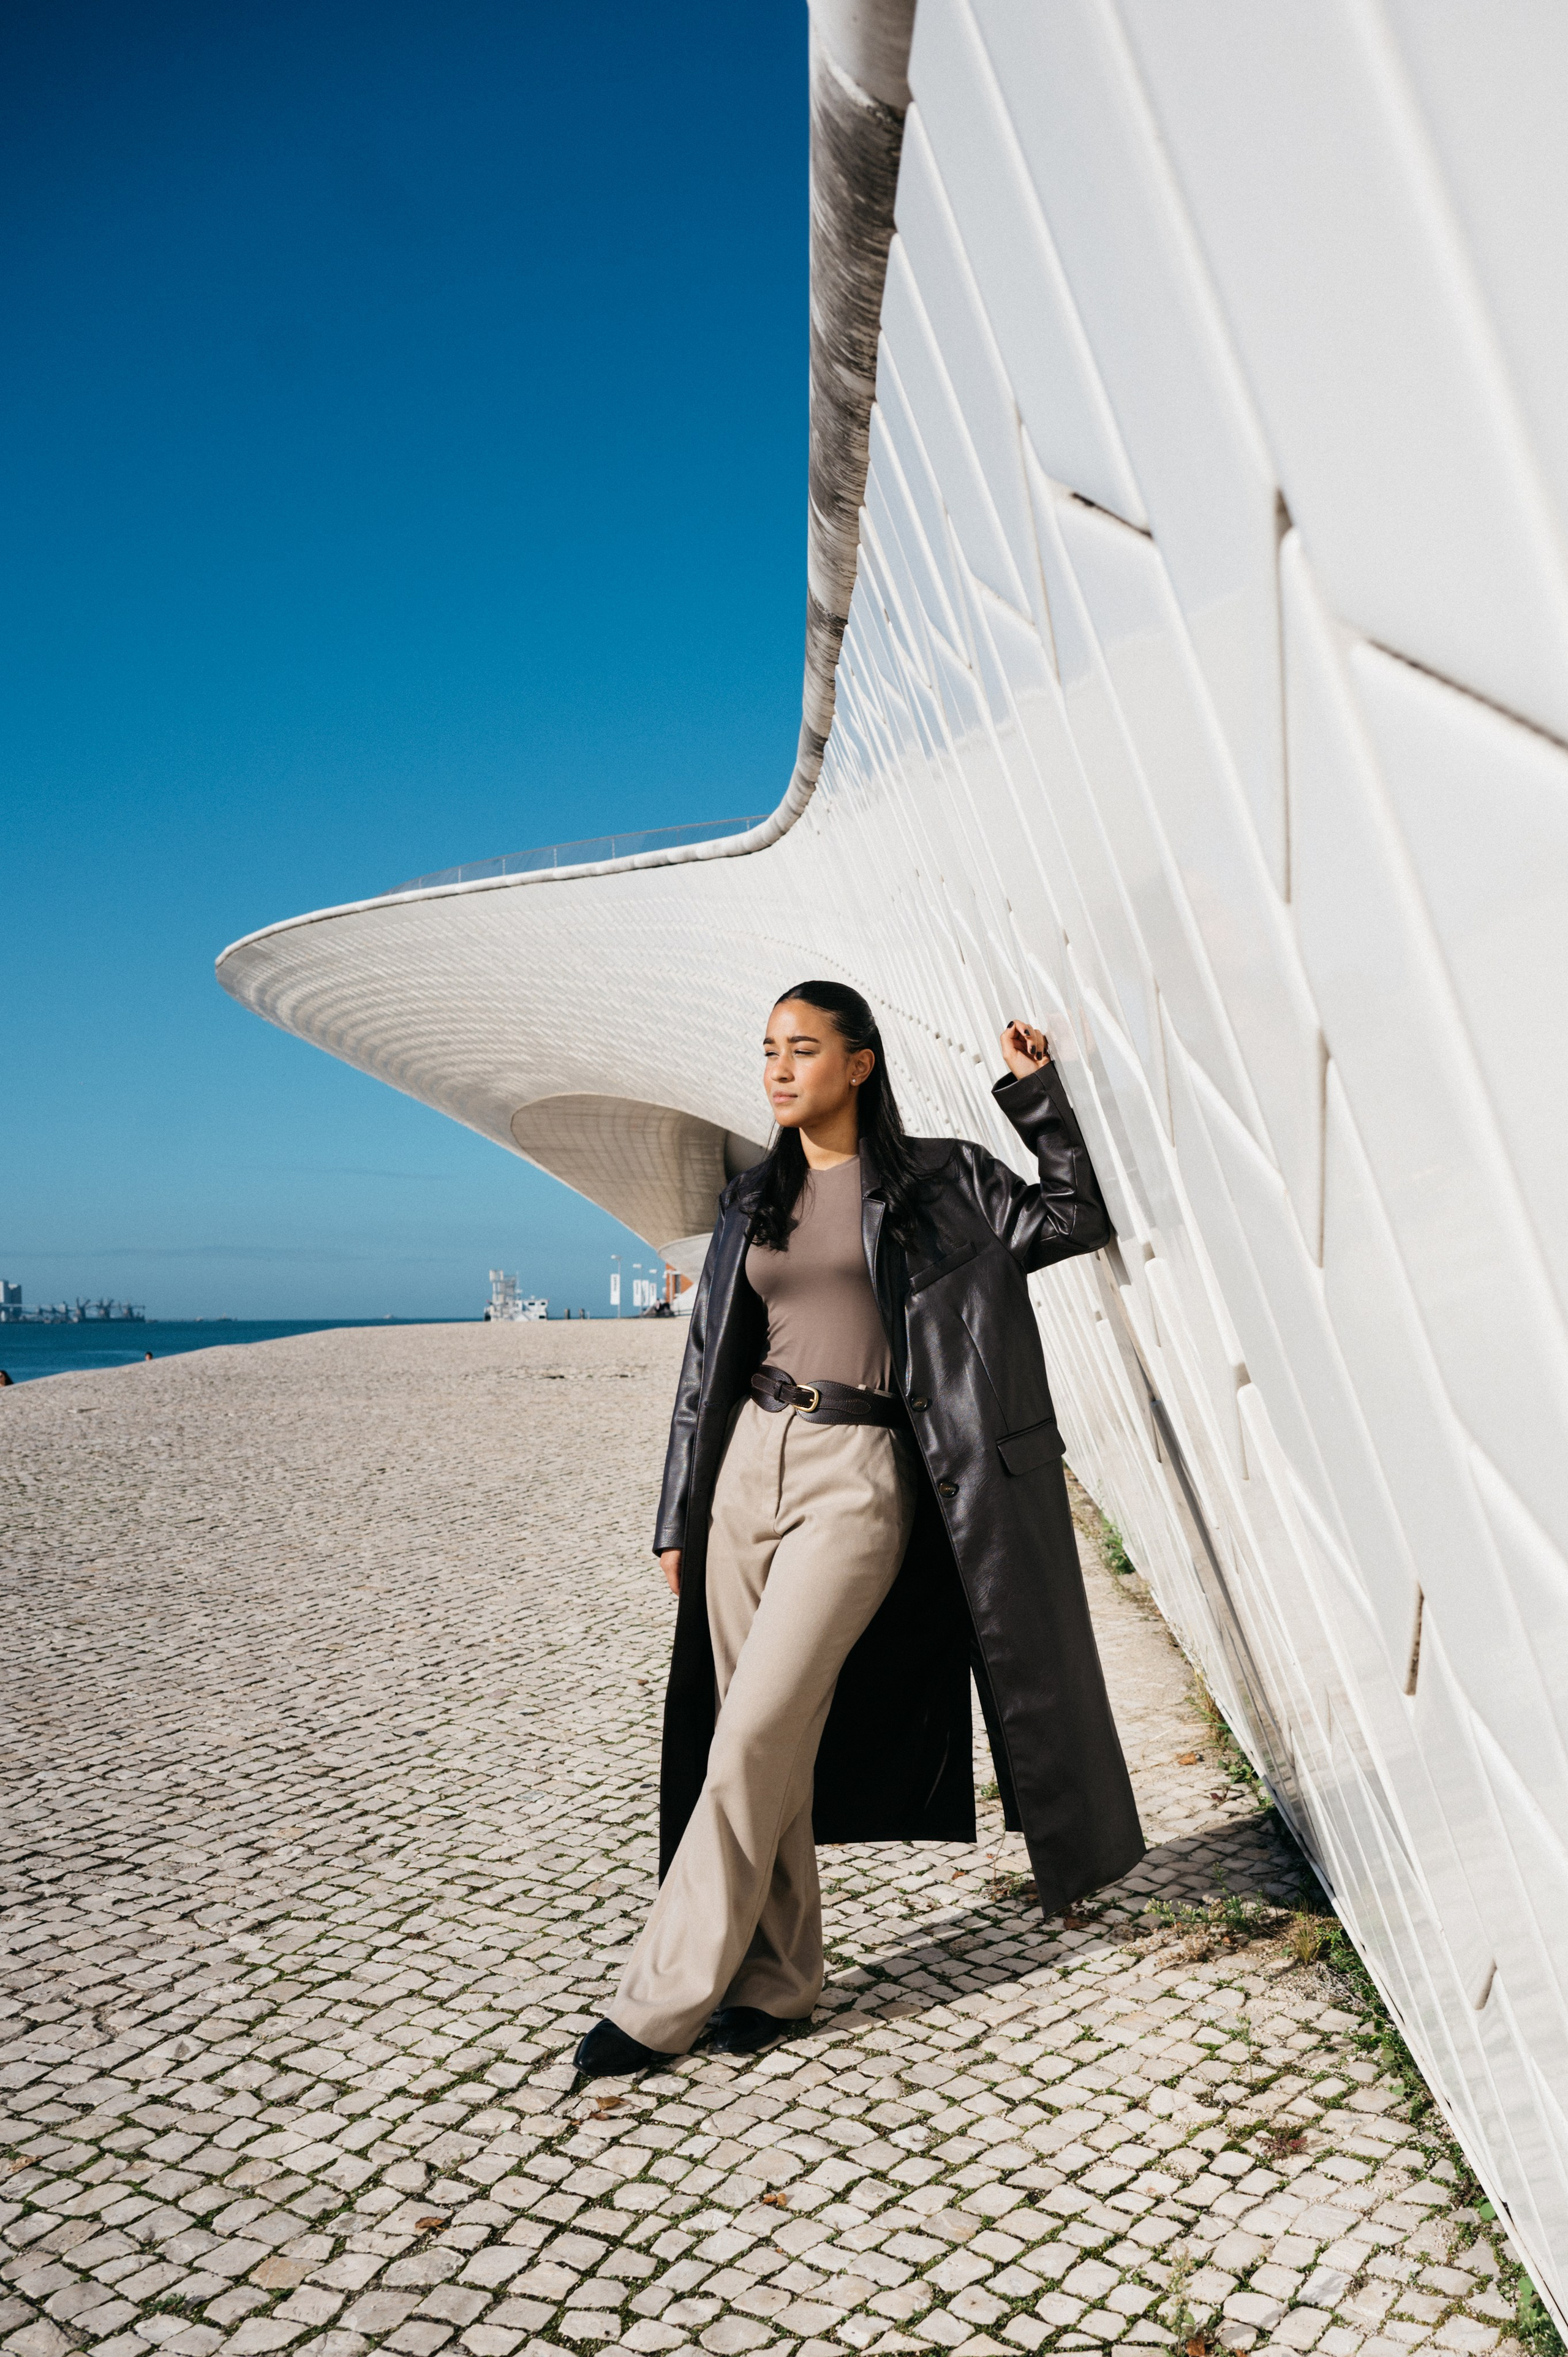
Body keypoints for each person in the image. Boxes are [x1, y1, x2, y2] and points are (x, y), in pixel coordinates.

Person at [575, 981, 1142, 2076]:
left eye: (802, 1050)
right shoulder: (753, 1199)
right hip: (750, 1466)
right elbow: (707, 1369)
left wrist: (1036, 1098)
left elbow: (1073, 1218)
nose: (779, 1070)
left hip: (864, 1475)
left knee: (746, 1739)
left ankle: (659, 1999)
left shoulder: (944, 1182)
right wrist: (680, 1511)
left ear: (860, 1063)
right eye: (768, 1052)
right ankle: (784, 1980)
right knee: (763, 1735)